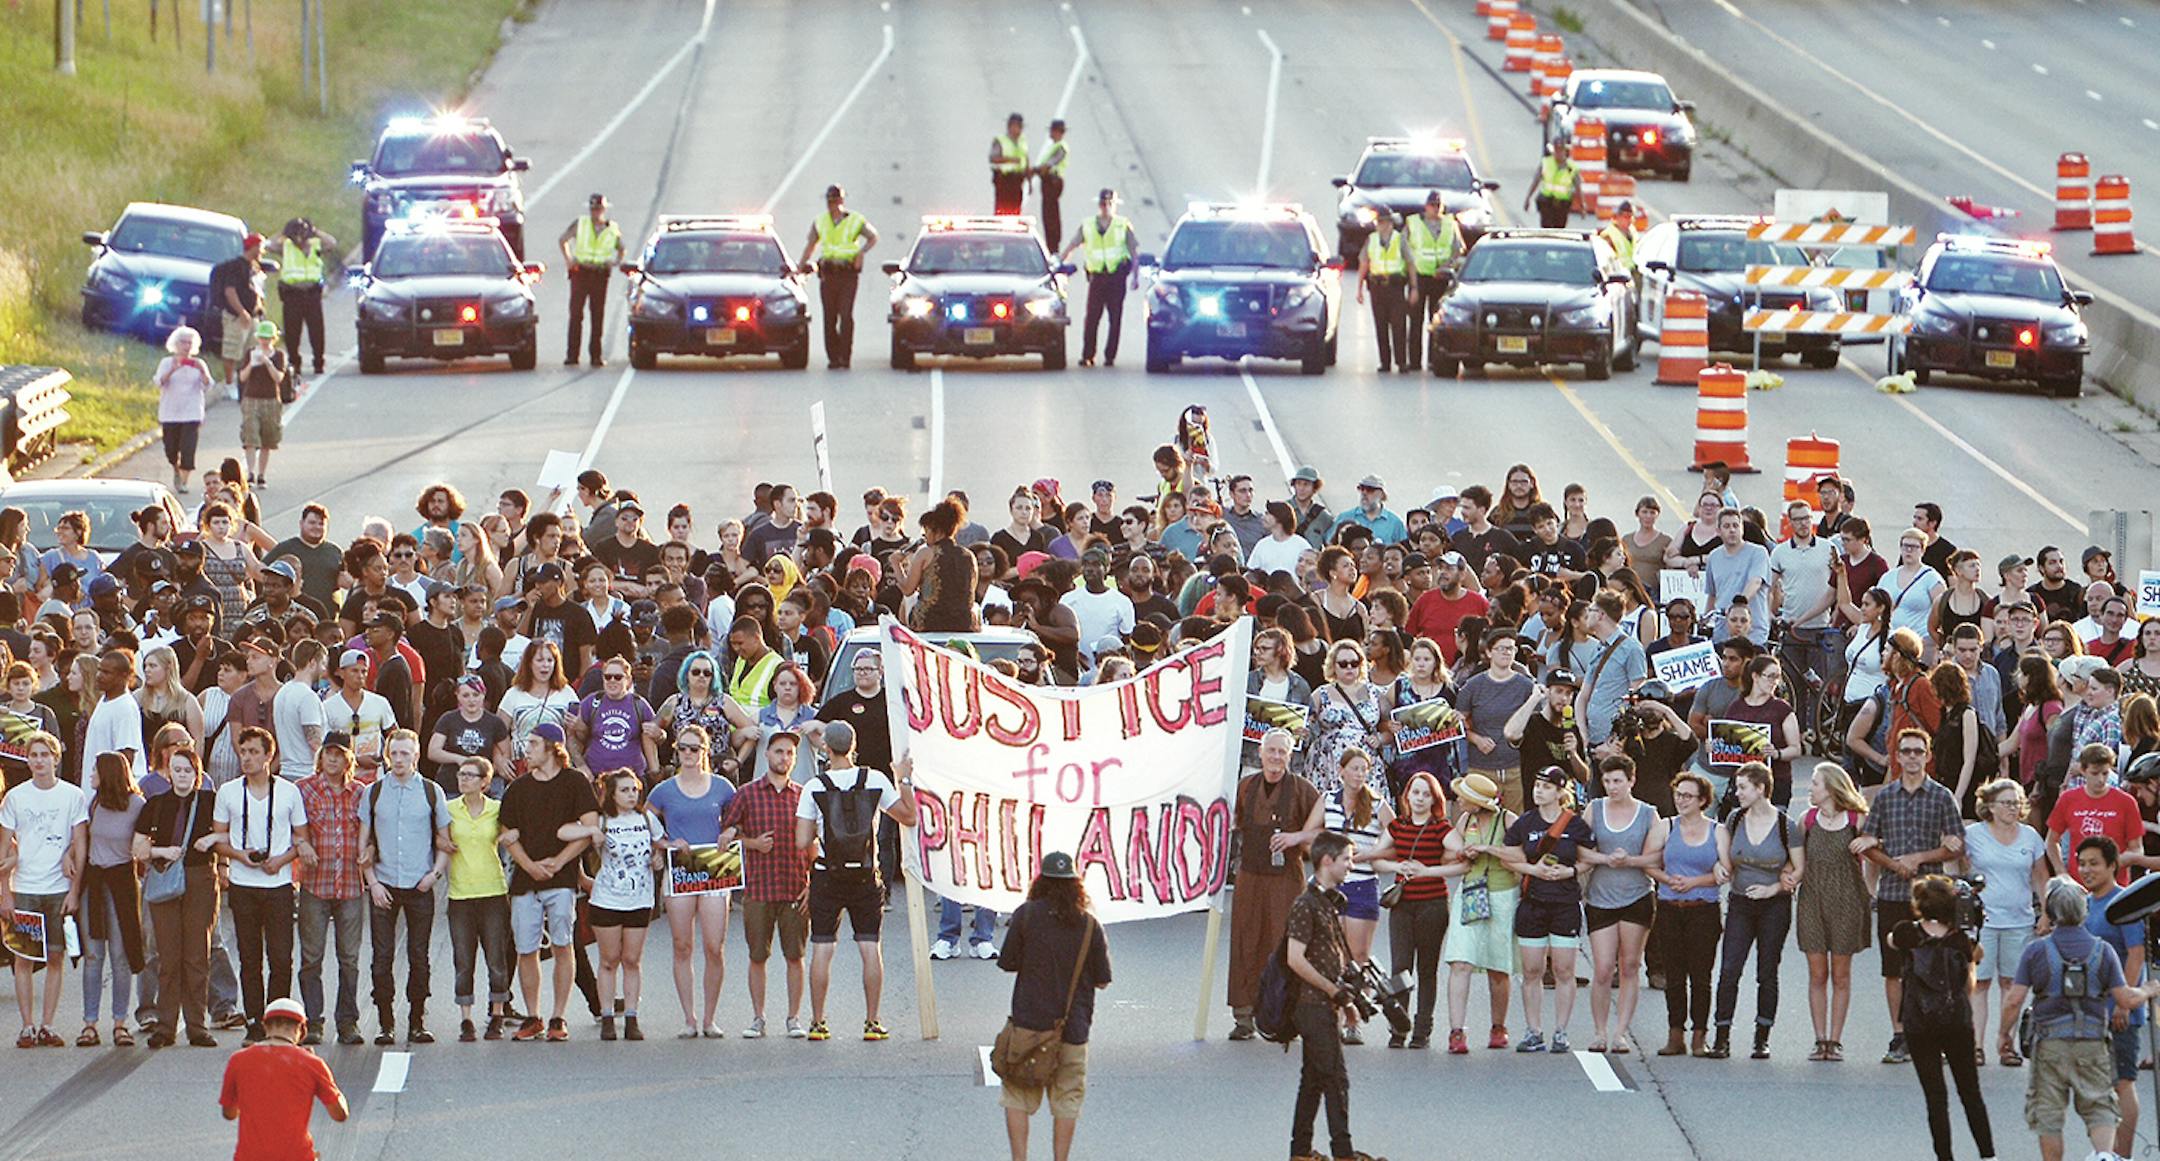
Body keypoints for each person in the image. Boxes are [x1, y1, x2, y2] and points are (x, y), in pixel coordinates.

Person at [2006, 877, 2160, 1161]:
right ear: (2084, 912)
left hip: (2050, 1042)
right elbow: (2125, 998)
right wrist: (2149, 989)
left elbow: (2014, 999)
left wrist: (2003, 1035)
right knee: (2099, 1105)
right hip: (2092, 1041)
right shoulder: (2103, 951)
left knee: (2048, 1114)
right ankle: (2104, 1155)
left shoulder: (2036, 950)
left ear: (2051, 913)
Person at [794, 721, 918, 1041]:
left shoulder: (814, 786)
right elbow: (908, 816)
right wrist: (902, 776)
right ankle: (872, 1021)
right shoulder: (874, 779)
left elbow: (801, 839)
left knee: (822, 947)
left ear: (826, 748)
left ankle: (819, 1022)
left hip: (826, 873)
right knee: (869, 947)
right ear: (853, 745)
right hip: (865, 874)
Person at [1857, 729, 1966, 1065]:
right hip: (1892, 891)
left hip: (1932, 894)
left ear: (1928, 756)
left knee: (1937, 965)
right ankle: (1901, 1033)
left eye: (1919, 751)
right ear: (1898, 757)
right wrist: (1894, 864)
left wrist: (1919, 858)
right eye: (1906, 751)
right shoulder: (1886, 798)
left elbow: (1956, 845)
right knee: (1895, 967)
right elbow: (1867, 843)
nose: (1913, 757)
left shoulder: (1942, 797)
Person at [998, 850, 1112, 1161]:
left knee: (1017, 1096)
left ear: (1041, 882)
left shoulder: (1026, 915)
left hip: (1028, 1025)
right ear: (1077, 886)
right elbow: (1103, 979)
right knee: (1067, 1099)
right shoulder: (1090, 926)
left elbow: (1008, 962)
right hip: (1072, 1029)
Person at [1284, 830, 1380, 1161]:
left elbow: (1336, 958)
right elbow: (1294, 959)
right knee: (1336, 1080)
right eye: (1347, 859)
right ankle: (1344, 1153)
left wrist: (1347, 1000)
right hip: (1311, 1006)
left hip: (1326, 1004)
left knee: (1312, 1080)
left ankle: (1300, 1151)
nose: (1351, 865)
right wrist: (1335, 992)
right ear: (1328, 861)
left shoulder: (1328, 901)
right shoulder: (1305, 904)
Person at [499, 723, 597, 1042]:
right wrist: (530, 865)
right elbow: (507, 834)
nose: (527, 749)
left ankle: (558, 1016)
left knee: (562, 943)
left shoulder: (575, 783)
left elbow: (590, 829)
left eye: (534, 743)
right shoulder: (518, 787)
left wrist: (559, 862)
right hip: (525, 880)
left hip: (563, 878)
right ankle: (533, 1015)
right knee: (526, 948)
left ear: (553, 748)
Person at [212, 727, 312, 1042]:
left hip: (279, 884)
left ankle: (278, 1022)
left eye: (254, 752)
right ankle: (255, 1023)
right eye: (244, 752)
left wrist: (281, 860)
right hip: (244, 883)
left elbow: (302, 839)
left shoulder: (288, 792)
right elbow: (218, 838)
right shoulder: (228, 792)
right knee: (249, 956)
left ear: (269, 755)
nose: (248, 758)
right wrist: (238, 856)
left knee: (281, 957)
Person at [1887, 876, 1996, 1161]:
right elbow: (1978, 956)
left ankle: (1945, 1157)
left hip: (1918, 1022)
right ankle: (1988, 1155)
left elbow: (1891, 941)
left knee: (1936, 1097)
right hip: (1956, 1021)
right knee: (1970, 1092)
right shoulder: (1960, 939)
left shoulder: (1905, 933)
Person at [1227, 729, 1325, 1040]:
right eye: (1271, 751)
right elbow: (1232, 821)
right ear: (1260, 752)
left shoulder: (1301, 789)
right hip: (1251, 876)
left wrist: (1296, 837)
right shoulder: (1245, 787)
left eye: (1282, 752)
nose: (1276, 757)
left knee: (1285, 945)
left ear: (1290, 755)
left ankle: (1284, 1016)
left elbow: (1323, 826)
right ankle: (1243, 1016)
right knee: (1247, 941)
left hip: (1286, 880)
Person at [358, 730, 451, 1046]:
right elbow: (364, 843)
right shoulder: (373, 792)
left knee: (418, 954)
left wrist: (435, 874)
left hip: (419, 883)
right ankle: (385, 1022)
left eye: (405, 754)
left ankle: (417, 1020)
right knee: (382, 956)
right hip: (384, 882)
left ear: (416, 755)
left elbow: (444, 839)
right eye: (394, 753)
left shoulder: (430, 791)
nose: (399, 760)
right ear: (387, 755)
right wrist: (372, 883)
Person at [1708, 762, 1803, 1060]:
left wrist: (1773, 888)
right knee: (1729, 969)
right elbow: (1723, 857)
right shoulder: (1735, 819)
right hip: (1740, 902)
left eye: (1743, 788)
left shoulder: (1786, 825)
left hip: (1774, 904)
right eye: (1738, 788)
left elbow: (1799, 869)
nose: (1738, 794)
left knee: (1767, 971)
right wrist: (1720, 869)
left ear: (1761, 788)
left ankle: (1762, 1037)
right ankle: (1721, 1036)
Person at [724, 729, 814, 1038]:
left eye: (789, 753)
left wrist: (812, 884)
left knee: (796, 956)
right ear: (767, 754)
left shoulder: (804, 795)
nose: (784, 758)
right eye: (778, 751)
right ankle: (758, 1017)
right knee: (757, 956)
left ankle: (794, 1018)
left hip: (794, 885)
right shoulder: (747, 793)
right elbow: (726, 836)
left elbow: (816, 842)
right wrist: (751, 843)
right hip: (759, 888)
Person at [1, 731, 88, 1049]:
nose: (39, 761)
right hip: (24, 886)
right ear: (27, 760)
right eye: (33, 755)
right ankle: (27, 1025)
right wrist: (5, 892)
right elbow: (4, 848)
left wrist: (74, 890)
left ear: (56, 757)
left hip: (57, 888)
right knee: (22, 959)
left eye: (44, 755)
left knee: (55, 957)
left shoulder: (72, 796)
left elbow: (80, 843)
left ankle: (48, 1024)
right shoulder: (15, 797)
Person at [649, 725, 737, 1039]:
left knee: (714, 946)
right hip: (681, 870)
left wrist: (730, 832)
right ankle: (689, 1018)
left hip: (714, 869)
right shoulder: (664, 790)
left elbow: (738, 818)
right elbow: (643, 820)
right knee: (682, 945)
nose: (688, 754)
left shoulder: (723, 787)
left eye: (694, 748)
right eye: (683, 748)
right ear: (676, 750)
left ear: (705, 751)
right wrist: (662, 845)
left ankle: (709, 1018)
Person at [563, 768, 662, 1042]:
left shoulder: (646, 819)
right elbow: (564, 830)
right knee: (609, 960)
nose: (631, 795)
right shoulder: (603, 820)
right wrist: (593, 832)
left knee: (632, 959)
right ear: (612, 793)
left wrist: (658, 857)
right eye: (625, 790)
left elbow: (660, 846)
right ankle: (607, 1015)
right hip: (607, 898)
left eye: (634, 789)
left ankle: (632, 1016)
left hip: (640, 898)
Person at [1503, 765, 1594, 1054]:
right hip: (1533, 903)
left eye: (1545, 786)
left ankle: (1561, 1031)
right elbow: (1509, 856)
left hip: (1565, 903)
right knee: (1532, 970)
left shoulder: (1575, 824)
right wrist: (1533, 869)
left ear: (1559, 791)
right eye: (1536, 785)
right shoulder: (1525, 823)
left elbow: (1589, 858)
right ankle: (1533, 1030)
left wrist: (1570, 872)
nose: (1538, 791)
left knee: (1564, 970)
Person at [135, 745, 221, 1048]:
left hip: (200, 878)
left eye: (188, 770)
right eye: (177, 769)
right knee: (167, 956)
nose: (182, 775)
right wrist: (162, 851)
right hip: (165, 878)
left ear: (197, 774)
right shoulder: (156, 804)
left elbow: (232, 832)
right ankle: (165, 1025)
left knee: (197, 953)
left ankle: (197, 1025)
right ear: (169, 772)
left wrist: (213, 838)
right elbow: (138, 847)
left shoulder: (211, 801)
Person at [1579, 754, 1665, 1054]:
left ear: (1631, 780)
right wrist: (1605, 859)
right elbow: (1579, 849)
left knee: (1630, 965)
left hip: (1637, 895)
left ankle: (1620, 1032)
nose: (1612, 787)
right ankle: (1599, 1031)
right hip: (1601, 896)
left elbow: (1657, 856)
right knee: (1603, 968)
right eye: (1606, 781)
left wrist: (1630, 860)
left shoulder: (1647, 813)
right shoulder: (1595, 808)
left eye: (1617, 781)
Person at [2075, 835, 2147, 1160]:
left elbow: (2135, 955)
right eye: (2082, 863)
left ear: (2112, 866)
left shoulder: (2124, 903)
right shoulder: (2086, 903)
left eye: (2094, 864)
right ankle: (2105, 1152)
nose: (2086, 870)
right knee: (2098, 1087)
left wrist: (2124, 1002)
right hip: (2091, 1011)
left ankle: (2123, 1155)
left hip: (2120, 1011)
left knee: (2123, 1083)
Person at [1795, 762, 1871, 1062]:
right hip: (1813, 899)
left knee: (1841, 974)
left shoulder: (1856, 819)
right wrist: (1790, 876)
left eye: (1815, 783)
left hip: (1847, 900)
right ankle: (1820, 1038)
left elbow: (1881, 845)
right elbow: (1796, 858)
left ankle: (1835, 1040)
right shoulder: (1808, 820)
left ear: (1831, 787)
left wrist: (1871, 840)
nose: (1810, 788)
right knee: (1817, 973)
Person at [295, 734, 365, 1046]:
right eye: (328, 754)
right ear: (321, 757)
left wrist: (371, 851)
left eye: (339, 754)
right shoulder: (304, 789)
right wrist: (302, 843)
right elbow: (292, 828)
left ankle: (348, 1022)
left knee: (349, 957)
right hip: (315, 883)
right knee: (312, 957)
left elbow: (369, 832)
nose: (333, 760)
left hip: (350, 883)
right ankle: (313, 1021)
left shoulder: (361, 792)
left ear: (349, 759)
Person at [219, 997, 349, 1160]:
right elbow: (340, 1114)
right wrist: (327, 1080)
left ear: (265, 1027)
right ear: (302, 1030)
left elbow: (229, 1113)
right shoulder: (311, 1063)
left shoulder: (238, 1060)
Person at [75, 752, 146, 1047]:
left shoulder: (136, 804)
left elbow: (143, 844)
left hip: (122, 881)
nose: (91, 774)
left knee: (120, 955)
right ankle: (89, 1023)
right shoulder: (93, 802)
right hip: (94, 879)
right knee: (93, 955)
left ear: (109, 773)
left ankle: (120, 1022)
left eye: (95, 769)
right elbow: (80, 838)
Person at [1652, 771, 1723, 1057]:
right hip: (1670, 907)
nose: (1681, 800)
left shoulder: (1717, 830)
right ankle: (1675, 1034)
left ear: (1702, 800)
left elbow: (1724, 870)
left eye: (1687, 796)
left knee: (1701, 975)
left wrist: (1694, 882)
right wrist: (1668, 879)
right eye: (1678, 794)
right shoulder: (1665, 826)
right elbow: (1649, 862)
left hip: (1703, 909)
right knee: (1674, 974)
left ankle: (1699, 1036)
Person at [796, 184, 879, 369]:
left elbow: (873, 237)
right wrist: (800, 267)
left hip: (848, 274)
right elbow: (810, 246)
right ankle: (833, 357)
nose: (832, 204)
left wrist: (861, 253)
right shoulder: (820, 221)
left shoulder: (855, 220)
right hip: (828, 274)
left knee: (846, 314)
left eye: (835, 200)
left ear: (842, 201)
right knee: (829, 316)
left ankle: (845, 356)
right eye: (829, 201)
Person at [1058, 188, 1140, 369]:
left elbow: (1133, 251)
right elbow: (1073, 245)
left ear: (1115, 205)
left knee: (1115, 318)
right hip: (1096, 279)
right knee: (1092, 318)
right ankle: (1088, 355)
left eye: (1110, 203)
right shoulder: (1088, 225)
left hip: (1116, 277)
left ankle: (1110, 356)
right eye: (1103, 203)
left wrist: (1136, 275)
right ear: (1099, 205)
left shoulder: (1122, 225)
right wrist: (1058, 265)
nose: (1106, 207)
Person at [2044, 743, 2142, 879]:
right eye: (2095, 773)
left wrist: (2112, 864)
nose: (2101, 779)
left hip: (2115, 885)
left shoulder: (2126, 802)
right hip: (2079, 884)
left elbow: (2137, 848)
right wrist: (2061, 871)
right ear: (2083, 771)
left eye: (2105, 773)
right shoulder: (2068, 799)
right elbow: (2051, 841)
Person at [560, 193, 624, 367]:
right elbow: (563, 239)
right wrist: (569, 260)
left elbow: (621, 248)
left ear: (604, 209)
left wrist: (615, 262)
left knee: (597, 316)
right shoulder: (581, 224)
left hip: (600, 275)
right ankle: (572, 355)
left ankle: (596, 355)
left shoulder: (611, 229)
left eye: (598, 209)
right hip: (581, 273)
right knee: (576, 315)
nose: (596, 212)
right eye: (593, 209)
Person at [1403, 191, 1463, 370]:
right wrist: (1412, 285)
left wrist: (1446, 266)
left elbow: (1458, 249)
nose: (1435, 209)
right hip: (1419, 277)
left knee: (1436, 322)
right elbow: (1406, 252)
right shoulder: (1413, 223)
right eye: (1432, 205)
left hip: (1440, 278)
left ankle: (1433, 359)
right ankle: (1414, 361)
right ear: (1426, 206)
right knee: (1415, 321)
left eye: (1439, 205)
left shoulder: (1450, 224)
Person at [154, 325, 213, 494]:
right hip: (170, 412)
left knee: (188, 448)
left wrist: (202, 371)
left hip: (192, 412)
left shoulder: (199, 363)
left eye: (189, 343)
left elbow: (208, 385)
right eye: (183, 342)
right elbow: (159, 382)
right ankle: (175, 467)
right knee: (171, 449)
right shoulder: (166, 362)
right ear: (176, 344)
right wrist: (174, 368)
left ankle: (183, 481)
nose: (186, 346)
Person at [273, 217, 336, 375]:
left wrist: (315, 231)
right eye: (296, 234)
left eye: (302, 233)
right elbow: (269, 244)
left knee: (317, 331)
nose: (299, 238)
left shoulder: (316, 245)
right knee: (292, 332)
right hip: (292, 295)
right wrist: (283, 233)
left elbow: (332, 242)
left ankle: (318, 361)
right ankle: (295, 361)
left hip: (312, 294)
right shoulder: (286, 246)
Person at [234, 319, 290, 488]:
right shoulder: (251, 353)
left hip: (271, 400)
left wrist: (268, 363)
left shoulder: (279, 355)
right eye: (262, 338)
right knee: (250, 437)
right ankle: (250, 473)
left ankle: (261, 474)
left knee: (267, 439)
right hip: (251, 398)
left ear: (273, 339)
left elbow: (279, 378)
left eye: (268, 338)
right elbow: (242, 377)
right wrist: (252, 363)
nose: (264, 341)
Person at [208, 230, 267, 387]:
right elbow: (230, 291)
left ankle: (245, 382)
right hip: (236, 317)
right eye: (260, 247)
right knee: (232, 351)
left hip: (253, 317)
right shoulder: (236, 267)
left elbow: (258, 291)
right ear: (252, 247)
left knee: (251, 351)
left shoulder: (255, 268)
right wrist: (242, 312)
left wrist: (259, 311)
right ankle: (229, 384)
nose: (262, 251)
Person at [1356, 211, 1409, 373]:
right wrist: (1359, 288)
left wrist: (1413, 286)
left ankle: (1401, 362)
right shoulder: (1371, 240)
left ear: (1391, 224)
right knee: (1381, 326)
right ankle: (1385, 362)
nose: (1383, 225)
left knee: (1399, 326)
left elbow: (1410, 262)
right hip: (1377, 288)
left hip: (1395, 287)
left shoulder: (1399, 239)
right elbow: (1364, 263)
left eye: (1386, 222)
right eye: (1380, 223)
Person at [1525, 137, 1580, 228]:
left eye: (1561, 150)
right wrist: (1528, 198)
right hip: (1546, 202)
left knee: (1559, 229)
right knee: (1546, 228)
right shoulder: (1546, 163)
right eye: (1556, 150)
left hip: (1562, 204)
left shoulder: (1571, 167)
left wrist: (1582, 205)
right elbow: (1536, 181)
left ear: (1565, 151)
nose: (1559, 153)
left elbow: (1578, 186)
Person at [1035, 118, 1069, 250]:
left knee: (1051, 215)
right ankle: (1051, 243)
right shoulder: (1053, 146)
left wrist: (1035, 171)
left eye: (1053, 130)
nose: (1051, 133)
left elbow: (1049, 164)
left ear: (1058, 132)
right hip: (1048, 182)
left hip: (1053, 182)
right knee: (1048, 213)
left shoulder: (1061, 147)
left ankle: (1053, 245)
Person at [990, 112, 1031, 216]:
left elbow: (1026, 160)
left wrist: (1029, 182)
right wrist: (1010, 160)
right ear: (1010, 126)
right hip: (1004, 180)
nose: (1018, 129)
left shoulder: (1023, 141)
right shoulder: (1000, 140)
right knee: (1002, 210)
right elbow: (993, 158)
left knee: (1016, 210)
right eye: (1016, 126)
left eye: (1020, 126)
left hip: (1017, 181)